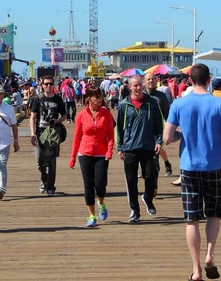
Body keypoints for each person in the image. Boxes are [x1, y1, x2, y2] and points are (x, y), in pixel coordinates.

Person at [163, 64, 221, 281]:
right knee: (213, 213)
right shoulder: (220, 104)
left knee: (191, 219)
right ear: (208, 80)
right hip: (213, 165)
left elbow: (167, 137)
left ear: (191, 79)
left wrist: (183, 135)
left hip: (189, 167)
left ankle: (196, 270)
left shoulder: (179, 103)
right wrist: (218, 138)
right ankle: (210, 254)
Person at [116, 75, 163, 223]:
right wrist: (120, 147)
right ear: (129, 87)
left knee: (151, 176)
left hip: (148, 147)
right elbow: (120, 128)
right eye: (134, 86)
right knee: (131, 181)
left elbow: (158, 124)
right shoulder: (124, 105)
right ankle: (134, 211)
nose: (137, 88)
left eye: (139, 85)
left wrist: (159, 140)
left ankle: (148, 198)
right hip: (130, 148)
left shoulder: (152, 103)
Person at [69, 86, 115, 227]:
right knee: (88, 185)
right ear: (89, 98)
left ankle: (101, 203)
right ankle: (91, 215)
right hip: (85, 153)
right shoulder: (81, 115)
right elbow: (77, 137)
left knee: (100, 184)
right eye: (96, 97)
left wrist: (109, 151)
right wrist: (72, 158)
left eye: (101, 97)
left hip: (102, 153)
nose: (100, 100)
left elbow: (111, 136)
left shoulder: (106, 113)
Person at [30, 75, 67, 196]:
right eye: (46, 84)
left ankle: (51, 186)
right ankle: (43, 179)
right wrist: (32, 134)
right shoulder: (37, 99)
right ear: (42, 85)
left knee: (52, 161)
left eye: (50, 84)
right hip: (40, 132)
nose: (48, 86)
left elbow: (64, 116)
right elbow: (33, 117)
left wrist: (58, 121)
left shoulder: (58, 99)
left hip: (52, 133)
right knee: (39, 161)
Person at [144, 72, 173, 177]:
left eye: (153, 79)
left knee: (155, 150)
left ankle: (154, 173)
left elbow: (167, 114)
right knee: (149, 151)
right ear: (144, 82)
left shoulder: (161, 96)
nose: (151, 81)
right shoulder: (141, 95)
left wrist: (170, 127)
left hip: (158, 129)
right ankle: (166, 163)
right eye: (148, 79)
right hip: (144, 129)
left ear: (156, 81)